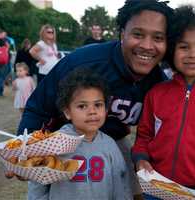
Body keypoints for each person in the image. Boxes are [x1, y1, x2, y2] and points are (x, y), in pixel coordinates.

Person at [17, 1, 174, 198]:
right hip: (64, 145)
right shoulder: (82, 62)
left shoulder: (160, 84)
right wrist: (23, 155)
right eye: (138, 34)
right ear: (121, 33)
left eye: (158, 37)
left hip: (111, 145)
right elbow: (37, 108)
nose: (147, 45)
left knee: (131, 191)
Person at [28, 67, 132, 200]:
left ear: (106, 109)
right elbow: (38, 182)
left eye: (98, 105)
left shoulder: (110, 145)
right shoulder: (54, 143)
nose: (92, 111)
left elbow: (121, 183)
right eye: (82, 106)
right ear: (67, 112)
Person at [132, 5, 195, 199]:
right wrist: (141, 159)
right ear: (171, 49)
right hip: (157, 186)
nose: (193, 54)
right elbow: (144, 136)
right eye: (184, 47)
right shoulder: (156, 93)